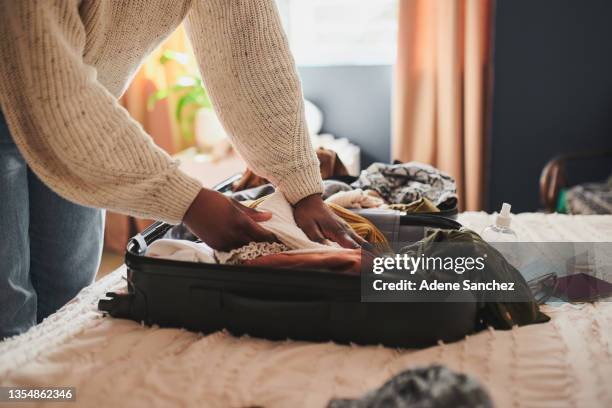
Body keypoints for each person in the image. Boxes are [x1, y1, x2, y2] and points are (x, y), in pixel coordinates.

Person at [0, 0, 363, 339]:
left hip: (86, 112)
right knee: (9, 310)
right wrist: (186, 200)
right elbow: (47, 80)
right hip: (28, 86)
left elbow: (250, 52)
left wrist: (302, 185)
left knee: (66, 295)